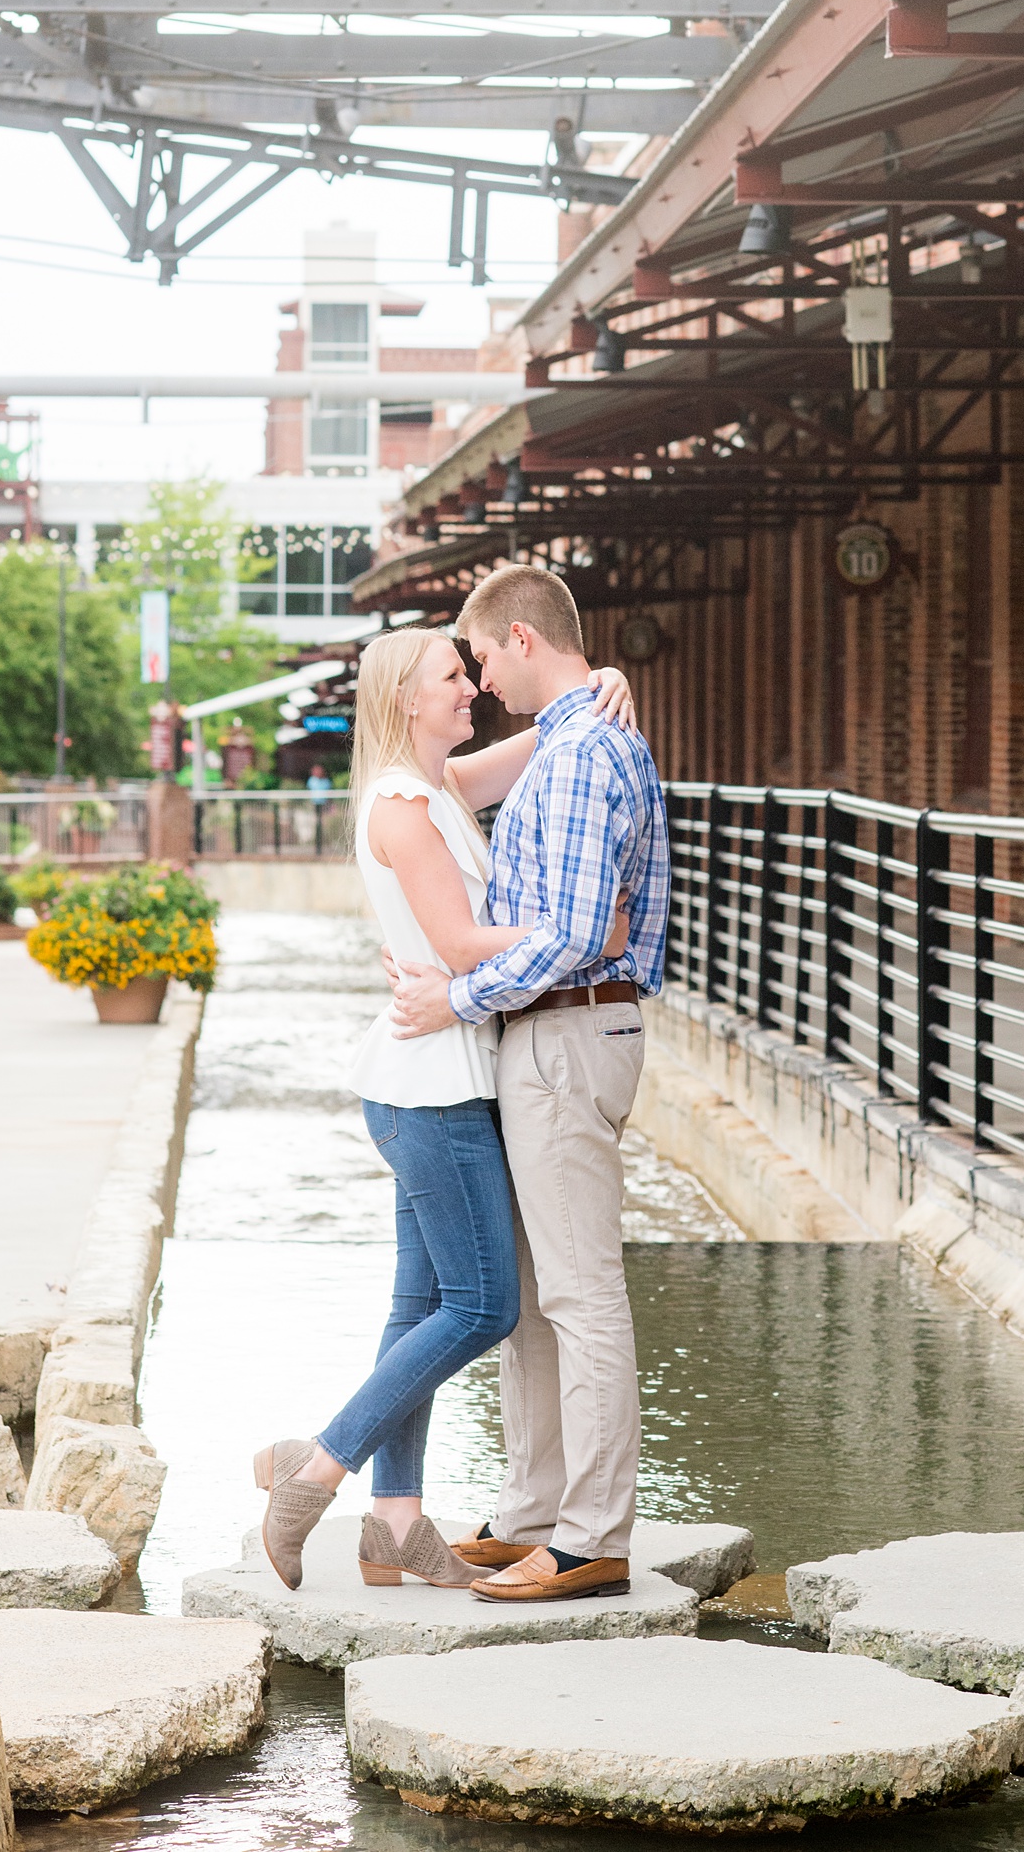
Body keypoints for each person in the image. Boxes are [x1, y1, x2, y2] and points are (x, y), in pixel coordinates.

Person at [251, 624, 636, 1591]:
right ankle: (319, 1467)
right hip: (434, 1089)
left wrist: (604, 681)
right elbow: (465, 946)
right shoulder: (402, 807)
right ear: (404, 701)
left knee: (417, 1305)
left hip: (439, 1076)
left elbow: (551, 732)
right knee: (483, 1304)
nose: (471, 687)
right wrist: (587, 931)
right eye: (451, 676)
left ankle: (394, 1518)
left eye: (471, 669)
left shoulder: (441, 790)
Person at [385, 565, 670, 1606]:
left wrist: (455, 999)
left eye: (482, 658)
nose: (479, 679)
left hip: (564, 1030)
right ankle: (533, 1510)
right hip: (544, 1032)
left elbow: (581, 936)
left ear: (517, 637)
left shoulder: (586, 748)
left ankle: (592, 1534)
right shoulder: (567, 734)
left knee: (581, 1293)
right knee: (538, 1296)